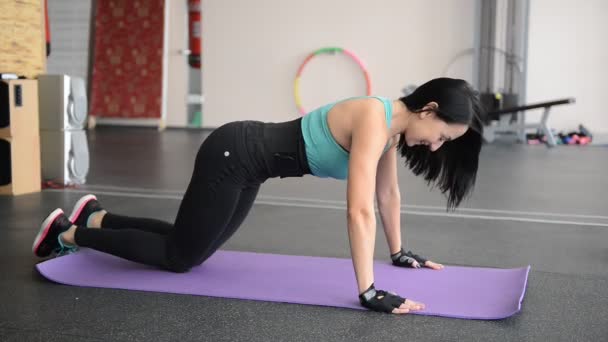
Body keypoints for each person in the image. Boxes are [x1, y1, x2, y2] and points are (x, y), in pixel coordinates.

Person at [32, 77, 484, 315]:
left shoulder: (390, 131)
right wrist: (367, 290)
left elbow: (387, 196)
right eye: (442, 135)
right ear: (429, 110)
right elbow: (358, 209)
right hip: (233, 154)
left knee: (192, 246)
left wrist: (400, 252)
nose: (437, 145)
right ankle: (68, 235)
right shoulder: (374, 117)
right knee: (179, 257)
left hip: (250, 166)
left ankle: (98, 217)